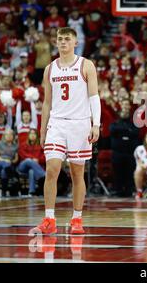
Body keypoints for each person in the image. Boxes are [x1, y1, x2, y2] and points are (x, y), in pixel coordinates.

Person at [32, 27, 100, 235]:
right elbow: (46, 103)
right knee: (52, 169)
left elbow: (94, 97)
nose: (62, 42)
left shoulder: (86, 65)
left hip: (80, 124)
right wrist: (43, 131)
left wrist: (95, 123)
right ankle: (49, 219)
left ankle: (77, 219)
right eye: (59, 39)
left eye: (66, 39)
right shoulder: (50, 69)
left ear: (75, 42)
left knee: (77, 173)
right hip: (57, 124)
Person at [110, 107, 140, 197]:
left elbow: (135, 132)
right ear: (119, 113)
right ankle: (118, 191)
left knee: (129, 173)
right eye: (123, 111)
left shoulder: (133, 124)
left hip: (130, 153)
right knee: (118, 173)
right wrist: (127, 130)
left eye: (127, 111)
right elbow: (112, 130)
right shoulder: (115, 123)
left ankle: (129, 191)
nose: (125, 113)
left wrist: (122, 131)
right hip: (117, 153)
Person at [17, 129, 45, 196]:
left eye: (34, 134)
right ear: (28, 135)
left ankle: (31, 191)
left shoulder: (41, 146)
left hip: (36, 168)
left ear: (37, 136)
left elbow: (44, 157)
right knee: (28, 160)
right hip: (23, 166)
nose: (32, 135)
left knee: (31, 171)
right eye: (31, 134)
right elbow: (22, 155)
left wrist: (38, 160)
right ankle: (43, 175)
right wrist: (33, 159)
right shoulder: (23, 144)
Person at [0, 129, 19, 196]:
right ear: (4, 136)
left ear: (13, 136)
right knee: (6, 165)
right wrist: (4, 161)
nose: (9, 136)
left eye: (11, 134)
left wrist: (11, 162)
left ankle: (3, 191)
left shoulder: (15, 145)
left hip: (9, 165)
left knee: (4, 171)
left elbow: (16, 158)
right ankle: (12, 177)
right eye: (7, 134)